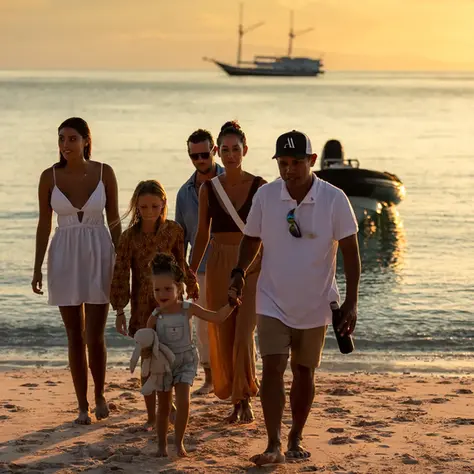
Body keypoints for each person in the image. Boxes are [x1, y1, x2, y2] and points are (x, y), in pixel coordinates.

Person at [228, 130, 361, 465]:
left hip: (316, 302)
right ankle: (273, 443)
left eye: (295, 162)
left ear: (311, 161)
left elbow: (350, 253)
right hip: (271, 298)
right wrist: (239, 271)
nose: (288, 170)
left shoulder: (334, 199)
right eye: (282, 163)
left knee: (304, 372)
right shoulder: (266, 196)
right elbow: (251, 239)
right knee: (273, 367)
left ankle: (296, 436)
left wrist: (352, 302)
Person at [31, 117, 121, 425]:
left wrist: (122, 264)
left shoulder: (104, 172)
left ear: (85, 140)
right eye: (61, 139)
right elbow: (44, 224)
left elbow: (115, 221)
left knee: (94, 336)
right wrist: (37, 268)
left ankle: (99, 395)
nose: (65, 145)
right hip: (64, 256)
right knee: (73, 335)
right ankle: (82, 405)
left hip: (99, 252)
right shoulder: (49, 177)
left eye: (71, 139)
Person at [190, 121, 266, 423]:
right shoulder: (209, 189)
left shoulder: (261, 186)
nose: (231, 154)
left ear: (245, 150)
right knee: (224, 331)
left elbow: (267, 232)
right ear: (216, 152)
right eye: (225, 149)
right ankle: (236, 399)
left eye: (236, 149)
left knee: (245, 332)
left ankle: (244, 395)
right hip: (219, 262)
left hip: (252, 263)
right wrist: (190, 272)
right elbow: (201, 236)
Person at [110, 180, 199, 429]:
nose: (149, 211)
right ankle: (151, 416)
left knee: (172, 357)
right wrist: (119, 310)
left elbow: (182, 264)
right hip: (142, 306)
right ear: (136, 207)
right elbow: (120, 274)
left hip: (171, 306)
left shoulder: (174, 231)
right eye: (143, 207)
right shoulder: (129, 237)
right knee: (148, 361)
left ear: (163, 205)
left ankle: (168, 407)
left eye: (154, 206)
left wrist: (192, 285)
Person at [147, 253, 240, 458]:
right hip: (164, 364)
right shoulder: (155, 317)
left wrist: (231, 305)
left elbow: (215, 318)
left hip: (185, 362)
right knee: (163, 407)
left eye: (168, 289)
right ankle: (161, 446)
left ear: (179, 288)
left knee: (183, 403)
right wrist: (149, 363)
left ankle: (178, 443)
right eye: (157, 289)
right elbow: (147, 344)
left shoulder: (188, 309)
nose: (162, 294)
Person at [175, 129, 224, 395]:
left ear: (215, 151)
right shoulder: (184, 193)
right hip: (200, 268)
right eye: (195, 156)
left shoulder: (230, 183)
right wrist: (182, 272)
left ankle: (239, 377)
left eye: (205, 154)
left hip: (230, 266)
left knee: (236, 325)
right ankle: (209, 378)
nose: (200, 160)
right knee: (203, 328)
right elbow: (181, 236)